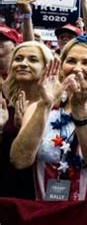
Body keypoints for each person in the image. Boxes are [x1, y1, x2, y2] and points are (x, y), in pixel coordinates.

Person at [10, 31, 87, 201]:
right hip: (48, 209)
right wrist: (44, 105)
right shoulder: (38, 107)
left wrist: (80, 109)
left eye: (86, 62)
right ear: (61, 69)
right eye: (71, 61)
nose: (77, 68)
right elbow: (20, 160)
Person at [0, 41, 53, 199]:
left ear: (47, 67)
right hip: (6, 187)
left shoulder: (56, 106)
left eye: (33, 60)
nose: (23, 64)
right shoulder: (4, 102)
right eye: (19, 59)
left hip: (42, 190)